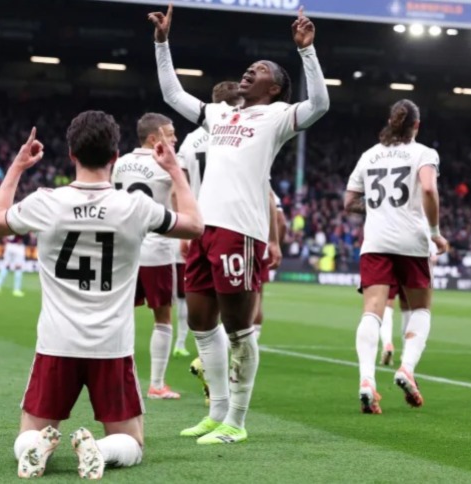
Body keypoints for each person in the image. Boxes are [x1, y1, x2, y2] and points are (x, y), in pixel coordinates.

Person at [0, 113, 203, 479]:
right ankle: (99, 449)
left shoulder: (46, 202)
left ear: (71, 154)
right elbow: (195, 226)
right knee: (132, 443)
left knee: (28, 433)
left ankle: (36, 447)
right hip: (111, 346)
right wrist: (174, 171)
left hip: (57, 342)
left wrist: (18, 166)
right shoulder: (135, 207)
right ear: (115, 156)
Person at [149, 4, 329, 443]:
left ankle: (237, 421)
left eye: (260, 69)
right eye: (250, 67)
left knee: (239, 330)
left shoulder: (278, 117)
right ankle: (216, 413)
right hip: (203, 229)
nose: (250, 70)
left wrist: (307, 51)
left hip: (240, 232)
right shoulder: (219, 114)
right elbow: (173, 96)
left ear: (275, 88)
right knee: (201, 324)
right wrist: (162, 43)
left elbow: (321, 104)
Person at [344, 99, 447, 414]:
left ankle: (366, 380)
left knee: (371, 312)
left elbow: (349, 202)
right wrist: (435, 232)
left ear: (391, 122)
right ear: (417, 125)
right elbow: (428, 189)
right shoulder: (424, 153)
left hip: (376, 242)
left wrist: (378, 207)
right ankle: (407, 368)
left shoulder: (369, 155)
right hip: (412, 241)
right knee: (421, 309)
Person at [112, 112, 181, 400]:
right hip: (156, 249)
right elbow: (178, 198)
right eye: (170, 133)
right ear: (154, 139)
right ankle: (156, 384)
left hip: (123, 248)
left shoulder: (120, 163)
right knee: (162, 317)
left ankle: (115, 380)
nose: (175, 139)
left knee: (119, 314)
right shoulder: (168, 164)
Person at [173, 80, 242, 358]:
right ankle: (232, 365)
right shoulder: (242, 134)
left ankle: (201, 356)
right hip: (233, 224)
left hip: (197, 225)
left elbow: (179, 187)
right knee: (234, 303)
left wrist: (183, 227)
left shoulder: (190, 140)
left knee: (199, 297)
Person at [254, 190, 286, 341]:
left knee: (232, 299)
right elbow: (282, 224)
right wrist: (275, 245)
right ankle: (253, 339)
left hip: (245, 245)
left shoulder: (255, 188)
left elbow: (282, 223)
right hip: (263, 250)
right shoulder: (271, 192)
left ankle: (240, 342)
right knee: (257, 298)